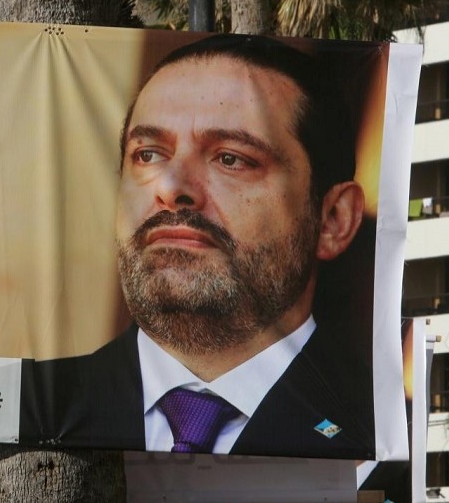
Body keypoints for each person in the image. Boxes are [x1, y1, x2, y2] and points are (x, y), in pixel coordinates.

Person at [19, 35, 376, 459]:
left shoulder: (389, 435)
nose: (171, 188)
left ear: (333, 219)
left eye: (231, 158)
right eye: (148, 154)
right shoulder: (17, 414)